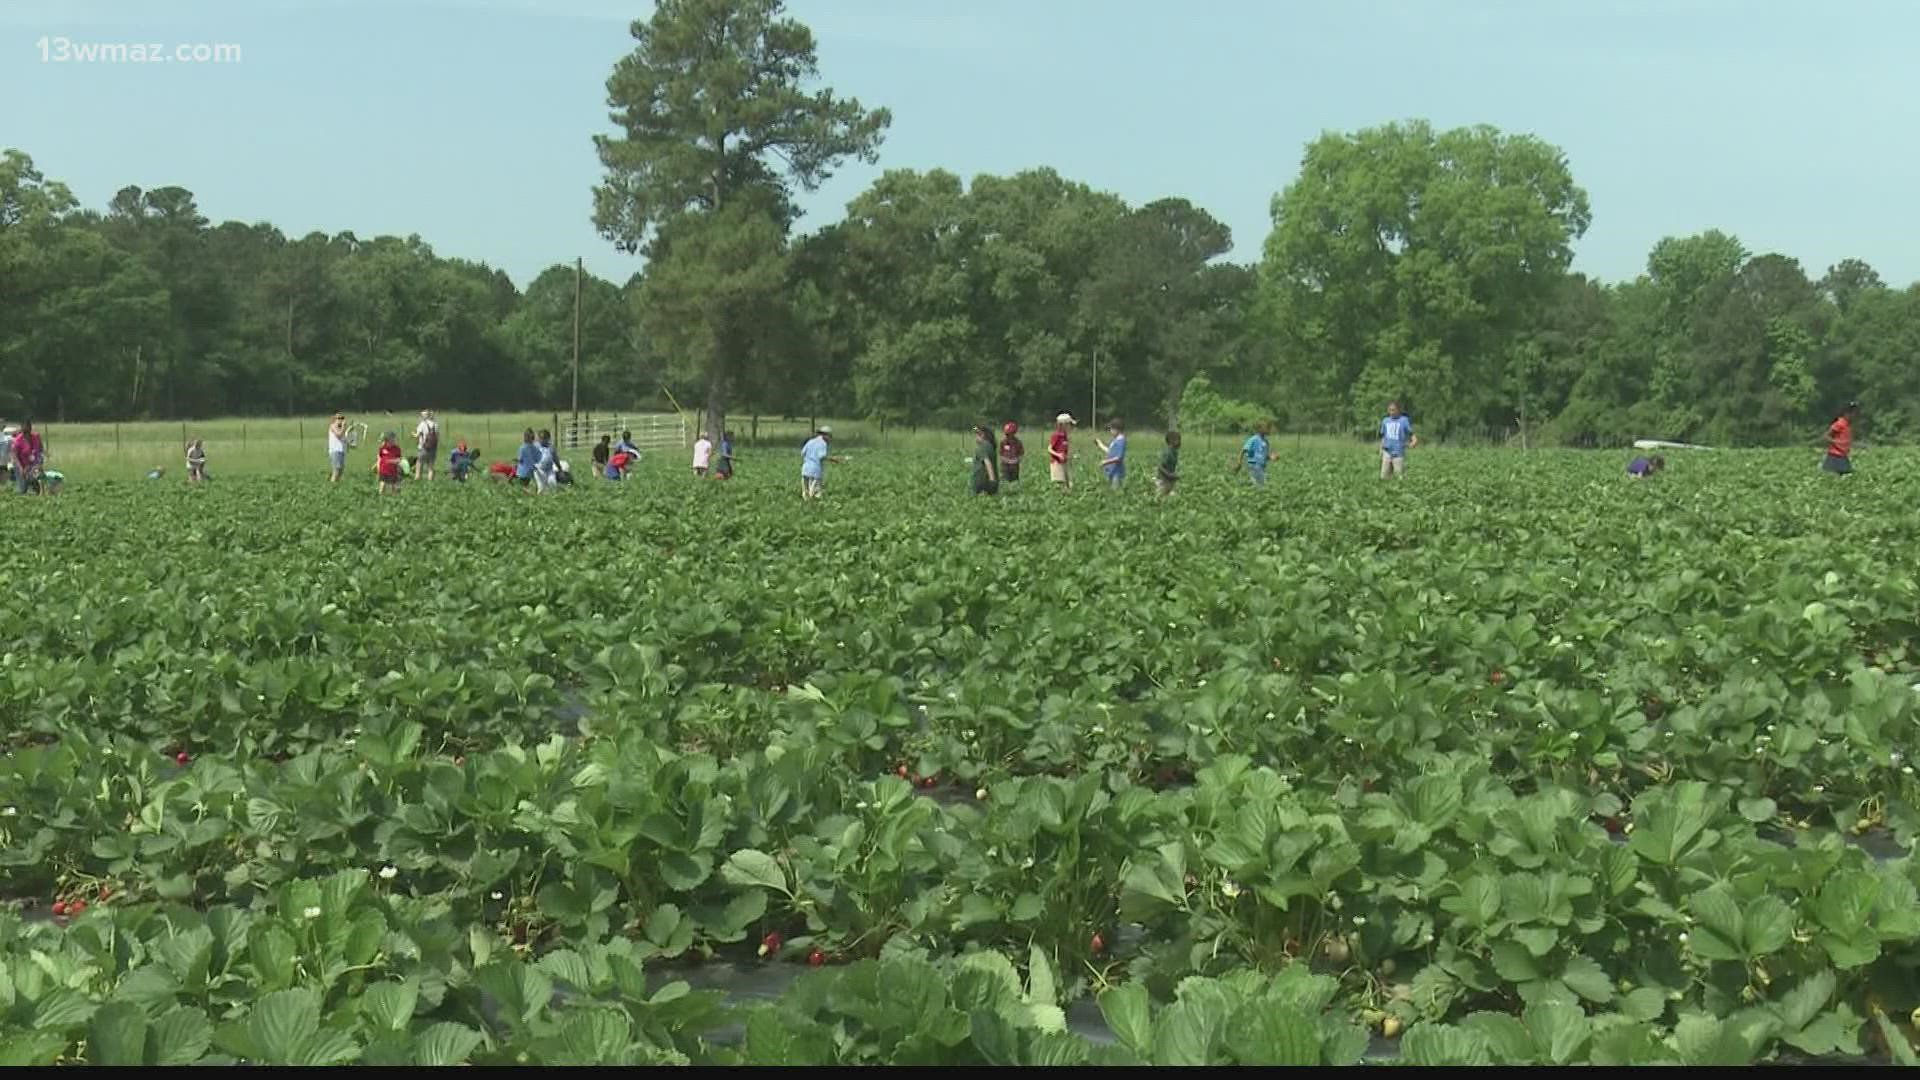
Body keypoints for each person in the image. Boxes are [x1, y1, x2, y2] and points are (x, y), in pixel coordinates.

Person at [800, 425, 844, 500]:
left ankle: (806, 505)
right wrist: (833, 459)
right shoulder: (823, 443)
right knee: (815, 493)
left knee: (805, 492)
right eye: (830, 436)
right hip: (815, 470)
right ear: (825, 435)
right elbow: (822, 456)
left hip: (805, 469)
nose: (830, 438)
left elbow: (802, 453)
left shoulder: (810, 441)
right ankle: (813, 506)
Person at [1380, 401, 1417, 480]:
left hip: (1398, 453)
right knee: (1384, 477)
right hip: (1387, 452)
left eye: (1393, 410)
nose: (1391, 412)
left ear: (1398, 410)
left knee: (1399, 477)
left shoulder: (1404, 420)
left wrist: (1413, 442)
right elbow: (1384, 437)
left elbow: (1412, 434)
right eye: (1390, 410)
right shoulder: (1385, 420)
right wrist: (1381, 449)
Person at [1824, 402, 1858, 475]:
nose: (1854, 415)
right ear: (1846, 413)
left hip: (1842, 455)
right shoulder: (1839, 423)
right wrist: (1838, 443)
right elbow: (1826, 436)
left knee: (1847, 478)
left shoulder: (1848, 424)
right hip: (1834, 456)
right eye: (1852, 413)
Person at [12, 421, 44, 495]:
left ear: (30, 428)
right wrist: (21, 469)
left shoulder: (36, 436)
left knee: (37, 480)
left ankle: (36, 491)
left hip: (34, 465)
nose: (26, 432)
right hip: (21, 465)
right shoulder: (18, 440)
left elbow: (40, 450)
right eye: (24, 430)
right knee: (22, 489)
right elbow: (15, 456)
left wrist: (39, 463)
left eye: (28, 428)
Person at [1095, 418, 1128, 490]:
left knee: (1115, 490)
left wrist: (1105, 462)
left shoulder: (1121, 441)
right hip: (1111, 470)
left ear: (1117, 429)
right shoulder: (1116, 440)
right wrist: (1100, 444)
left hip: (1117, 472)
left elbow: (1119, 457)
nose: (1110, 431)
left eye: (1111, 429)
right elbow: (1110, 451)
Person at [1237, 422, 1271, 486]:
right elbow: (1243, 450)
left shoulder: (1266, 441)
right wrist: (1239, 462)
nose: (1268, 430)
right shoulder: (1253, 439)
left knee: (1261, 485)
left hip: (1262, 466)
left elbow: (1265, 456)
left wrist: (1271, 457)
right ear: (1259, 429)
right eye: (1266, 427)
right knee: (1259, 486)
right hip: (1254, 465)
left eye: (1268, 428)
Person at [970, 425, 1000, 496]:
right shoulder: (989, 445)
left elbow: (987, 463)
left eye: (977, 434)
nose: (975, 437)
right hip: (987, 483)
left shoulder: (983, 446)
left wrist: (992, 480)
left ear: (983, 435)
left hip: (983, 484)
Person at [1048, 413, 1076, 490]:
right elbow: (1049, 449)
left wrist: (1070, 456)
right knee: (1061, 484)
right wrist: (1058, 455)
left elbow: (1065, 449)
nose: (1071, 427)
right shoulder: (1056, 435)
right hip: (1057, 463)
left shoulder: (1065, 436)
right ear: (1063, 425)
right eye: (1069, 424)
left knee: (1069, 483)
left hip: (1064, 462)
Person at [415, 410, 440, 481]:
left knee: (419, 463)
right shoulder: (436, 425)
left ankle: (418, 479)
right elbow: (438, 437)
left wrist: (413, 435)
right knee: (431, 466)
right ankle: (430, 481)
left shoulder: (422, 424)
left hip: (423, 448)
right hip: (433, 448)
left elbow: (417, 435)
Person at [376, 431, 403, 495]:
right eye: (392, 439)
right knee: (382, 484)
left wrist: (392, 461)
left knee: (394, 486)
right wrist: (378, 468)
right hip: (383, 470)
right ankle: (381, 497)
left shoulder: (397, 449)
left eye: (394, 439)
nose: (393, 441)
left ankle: (395, 497)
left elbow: (399, 459)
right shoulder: (382, 448)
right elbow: (379, 458)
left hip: (393, 470)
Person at [1157, 431, 1181, 497]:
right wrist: (1169, 474)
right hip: (1163, 480)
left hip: (1170, 480)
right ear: (1171, 441)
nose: (1180, 442)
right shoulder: (1167, 452)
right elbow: (1160, 466)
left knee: (1169, 496)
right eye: (1178, 440)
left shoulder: (1174, 452)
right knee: (1162, 496)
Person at [328, 413, 350, 483]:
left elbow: (344, 440)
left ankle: (336, 484)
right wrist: (344, 427)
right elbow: (339, 435)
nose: (341, 420)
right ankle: (332, 484)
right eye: (339, 418)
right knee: (336, 469)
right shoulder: (333, 426)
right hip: (335, 451)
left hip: (341, 451)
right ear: (334, 420)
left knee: (341, 470)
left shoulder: (342, 429)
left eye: (342, 418)